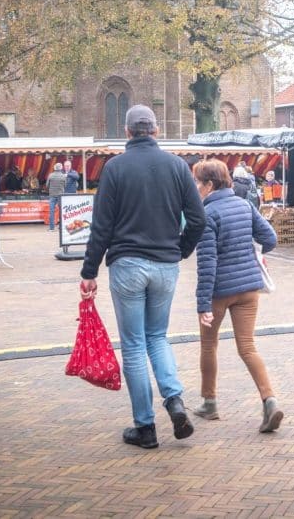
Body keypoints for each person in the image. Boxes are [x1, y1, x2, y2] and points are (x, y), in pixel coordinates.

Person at [79, 105, 206, 449]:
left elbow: (101, 226)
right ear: (156, 130)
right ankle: (174, 399)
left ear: (126, 131)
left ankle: (145, 427)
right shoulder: (178, 167)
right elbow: (198, 220)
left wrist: (89, 271)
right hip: (165, 266)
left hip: (127, 265)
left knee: (134, 345)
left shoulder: (115, 168)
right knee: (157, 337)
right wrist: (180, 251)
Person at [191, 159, 282, 433]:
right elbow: (271, 239)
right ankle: (270, 401)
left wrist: (203, 304)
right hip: (249, 289)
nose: (195, 188)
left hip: (220, 291)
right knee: (248, 347)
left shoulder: (207, 216)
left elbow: (207, 264)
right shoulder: (245, 205)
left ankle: (209, 402)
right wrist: (251, 253)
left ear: (209, 184)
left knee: (209, 346)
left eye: (197, 182)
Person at [46, 163, 66, 231]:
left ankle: (52, 228)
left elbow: (47, 185)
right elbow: (65, 185)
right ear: (61, 168)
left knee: (52, 211)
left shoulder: (50, 175)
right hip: (60, 195)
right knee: (61, 211)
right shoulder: (63, 176)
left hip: (52, 195)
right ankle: (61, 227)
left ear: (54, 168)